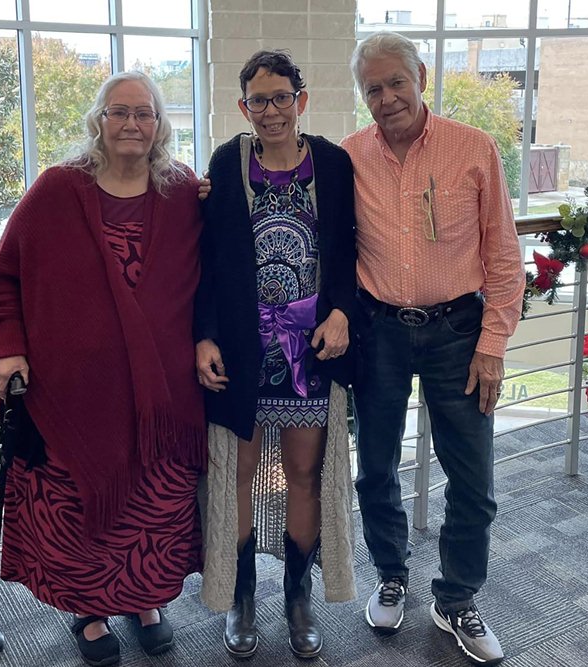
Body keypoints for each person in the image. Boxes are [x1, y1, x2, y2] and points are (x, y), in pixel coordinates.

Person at [0, 71, 206, 667]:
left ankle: (146, 601)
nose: (132, 123)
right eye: (119, 112)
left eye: (144, 113)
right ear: (98, 121)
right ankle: (91, 611)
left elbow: (218, 267)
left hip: (162, 397)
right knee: (82, 504)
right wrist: (9, 347)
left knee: (154, 506)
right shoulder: (58, 189)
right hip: (73, 392)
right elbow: (5, 275)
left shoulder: (183, 191)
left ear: (159, 125)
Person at [341, 32, 524, 665]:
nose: (387, 97)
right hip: (379, 331)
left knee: (472, 476)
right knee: (375, 467)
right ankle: (391, 574)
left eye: (396, 82)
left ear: (420, 75)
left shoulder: (473, 147)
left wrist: (493, 343)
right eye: (372, 88)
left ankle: (457, 597)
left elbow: (503, 254)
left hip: (458, 332)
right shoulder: (349, 156)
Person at [195, 50, 359, 659]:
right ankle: (242, 600)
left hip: (309, 352)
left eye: (281, 97)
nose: (271, 111)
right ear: (244, 108)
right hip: (242, 352)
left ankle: (297, 599)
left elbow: (352, 249)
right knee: (236, 477)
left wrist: (342, 311)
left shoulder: (333, 164)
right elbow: (207, 259)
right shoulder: (227, 163)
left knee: (304, 477)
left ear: (301, 100)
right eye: (258, 101)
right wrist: (204, 334)